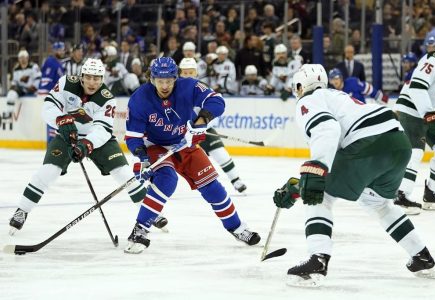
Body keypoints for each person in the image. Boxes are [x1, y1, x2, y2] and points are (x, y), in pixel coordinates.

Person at [273, 64, 435, 286]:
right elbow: (338, 153)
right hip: (398, 142)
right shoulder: (337, 96)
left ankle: (318, 259)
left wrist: (312, 174)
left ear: (301, 86)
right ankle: (421, 256)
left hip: (368, 143)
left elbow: (326, 129)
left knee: (319, 195)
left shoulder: (308, 100)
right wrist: (296, 187)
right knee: (378, 203)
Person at [8, 58, 164, 235]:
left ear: (102, 79)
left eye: (97, 78)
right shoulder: (66, 83)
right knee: (48, 171)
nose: (92, 82)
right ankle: (22, 210)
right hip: (66, 134)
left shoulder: (107, 99)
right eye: (89, 77)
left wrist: (85, 145)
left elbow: (102, 130)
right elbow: (48, 107)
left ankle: (151, 214)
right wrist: (60, 119)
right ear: (81, 76)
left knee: (123, 173)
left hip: (96, 139)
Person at [124, 57, 260, 254]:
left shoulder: (189, 86)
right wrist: (142, 159)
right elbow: (133, 137)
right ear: (151, 79)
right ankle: (139, 230)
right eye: (160, 81)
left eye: (169, 81)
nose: (164, 86)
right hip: (155, 146)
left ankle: (237, 228)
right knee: (166, 180)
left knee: (212, 186)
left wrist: (201, 120)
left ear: (176, 78)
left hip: (185, 143)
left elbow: (217, 101)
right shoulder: (139, 99)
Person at [179, 57, 247, 193]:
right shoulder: (173, 90)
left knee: (221, 154)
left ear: (196, 73)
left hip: (202, 130)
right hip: (179, 133)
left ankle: (236, 180)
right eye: (184, 72)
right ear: (179, 73)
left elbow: (214, 109)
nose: (187, 76)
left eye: (190, 72)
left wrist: (202, 125)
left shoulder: (201, 88)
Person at [393, 47, 435, 214]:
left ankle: (432, 194)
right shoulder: (434, 60)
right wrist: (429, 114)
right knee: (416, 151)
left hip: (431, 112)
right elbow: (416, 87)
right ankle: (400, 195)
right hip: (412, 108)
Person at [3, 49, 41, 120]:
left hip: (32, 90)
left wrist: (35, 87)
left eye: (24, 57)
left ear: (27, 58)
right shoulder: (16, 69)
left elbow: (38, 78)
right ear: (18, 59)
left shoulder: (33, 66)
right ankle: (9, 112)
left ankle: (9, 112)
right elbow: (14, 81)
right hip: (21, 89)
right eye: (20, 58)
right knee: (11, 93)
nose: (22, 59)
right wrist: (13, 86)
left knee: (13, 91)